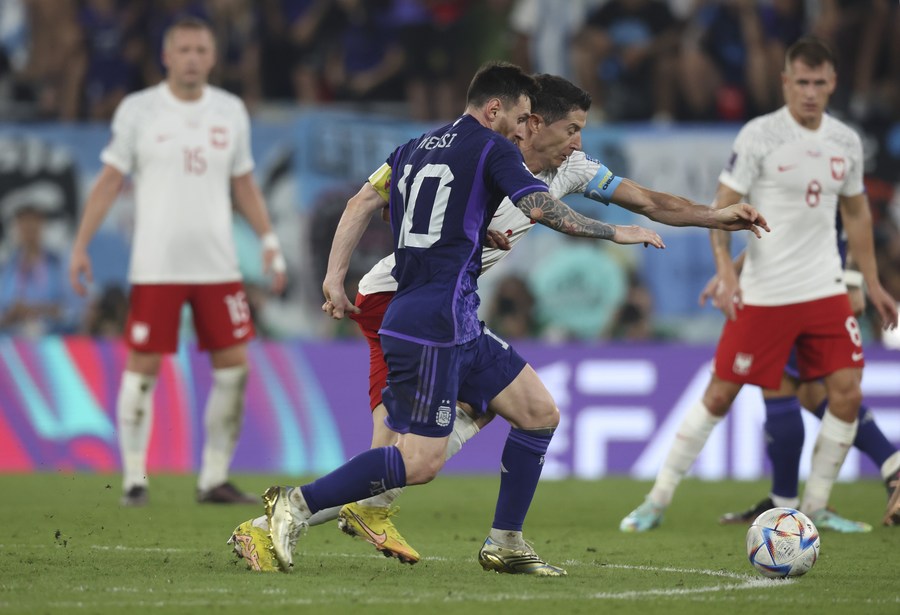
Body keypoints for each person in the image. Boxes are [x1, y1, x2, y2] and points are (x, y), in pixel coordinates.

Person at [228, 70, 769, 573]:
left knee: (535, 412)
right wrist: (611, 232)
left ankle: (504, 541)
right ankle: (290, 509)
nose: (578, 142)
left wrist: (714, 215)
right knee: (407, 459)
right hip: (402, 299)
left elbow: (648, 200)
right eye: (569, 129)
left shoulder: (547, 165)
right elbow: (380, 201)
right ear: (530, 122)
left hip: (455, 308)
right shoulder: (490, 152)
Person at [619, 37, 899, 535]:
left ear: (832, 83)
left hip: (826, 289)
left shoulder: (846, 142)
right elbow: (720, 209)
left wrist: (872, 283)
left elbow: (855, 212)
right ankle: (656, 499)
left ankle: (813, 507)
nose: (810, 92)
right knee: (720, 394)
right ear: (785, 82)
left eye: (820, 82)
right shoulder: (760, 136)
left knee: (847, 393)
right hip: (768, 293)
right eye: (802, 82)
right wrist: (727, 272)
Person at [68, 17, 286, 507]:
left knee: (235, 368)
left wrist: (269, 240)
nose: (191, 57)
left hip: (218, 265)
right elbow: (108, 181)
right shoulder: (138, 110)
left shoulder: (230, 111)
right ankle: (134, 479)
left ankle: (213, 479)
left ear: (212, 57)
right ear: (166, 56)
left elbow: (244, 183)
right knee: (142, 368)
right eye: (183, 49)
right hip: (157, 265)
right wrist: (81, 244)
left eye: (200, 49)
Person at [707, 231, 900, 529]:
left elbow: (850, 217)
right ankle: (890, 466)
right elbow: (780, 229)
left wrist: (854, 282)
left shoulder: (821, 187)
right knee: (811, 392)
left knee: (800, 385)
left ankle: (790, 502)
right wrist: (732, 269)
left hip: (804, 292)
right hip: (801, 285)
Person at [0, 202, 69, 336]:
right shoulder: (6, 267)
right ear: (17, 228)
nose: (29, 228)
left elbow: (72, 311)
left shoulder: (58, 264)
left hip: (51, 338)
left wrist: (41, 309)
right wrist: (12, 314)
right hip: (10, 340)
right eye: (24, 224)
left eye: (34, 223)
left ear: (42, 226)